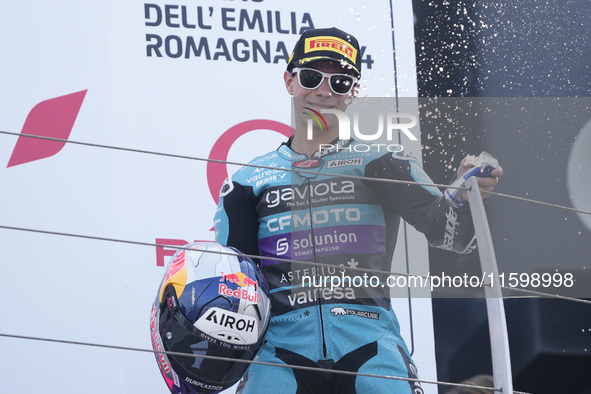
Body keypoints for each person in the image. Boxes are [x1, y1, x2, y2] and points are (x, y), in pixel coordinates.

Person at [214, 27, 503, 394]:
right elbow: (231, 282)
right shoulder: (248, 180)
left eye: (340, 82)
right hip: (277, 355)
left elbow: (452, 236)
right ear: (290, 81)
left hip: (370, 350)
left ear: (353, 93)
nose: (323, 91)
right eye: (311, 77)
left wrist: (464, 195)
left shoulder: (382, 161)